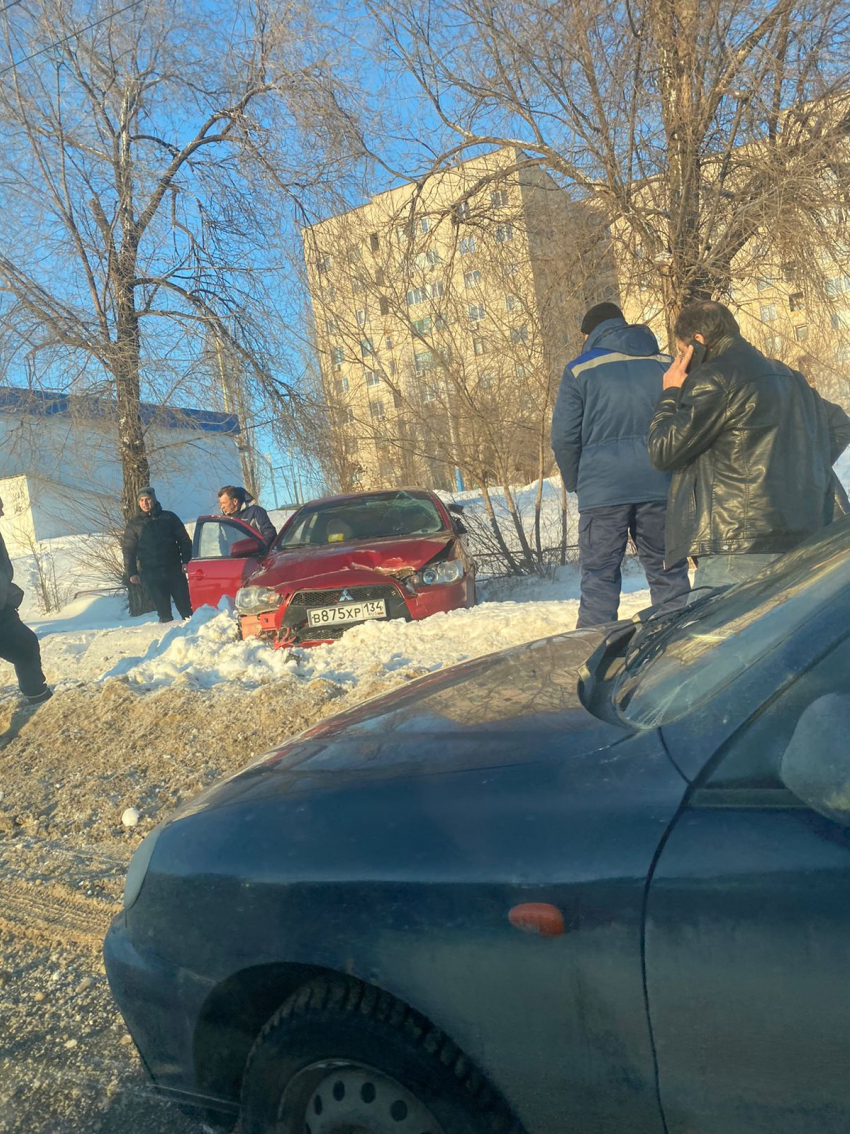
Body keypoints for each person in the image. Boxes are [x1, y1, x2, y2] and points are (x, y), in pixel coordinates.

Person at [648, 300, 850, 591]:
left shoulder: (712, 377)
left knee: (713, 635)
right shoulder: (790, 377)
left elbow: (662, 450)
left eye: (682, 352)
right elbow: (840, 425)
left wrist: (670, 392)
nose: (681, 361)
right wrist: (797, 469)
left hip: (735, 544)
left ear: (699, 343)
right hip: (800, 538)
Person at [551, 301, 691, 627]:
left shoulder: (580, 370)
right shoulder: (666, 366)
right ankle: (677, 651)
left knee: (599, 578)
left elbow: (564, 438)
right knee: (667, 571)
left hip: (602, 491)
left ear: (590, 333)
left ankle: (594, 657)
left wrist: (578, 482)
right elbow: (685, 425)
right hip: (659, 484)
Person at [0, 497, 52, 705]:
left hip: (3, 609)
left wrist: (9, 596)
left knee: (25, 644)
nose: (2, 514)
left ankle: (36, 693)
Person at [122, 487, 193, 622]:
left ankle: (194, 634)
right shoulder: (134, 524)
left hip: (174, 569)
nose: (145, 503)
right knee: (164, 613)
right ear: (138, 503)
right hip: (152, 574)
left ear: (154, 499)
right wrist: (132, 572)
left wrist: (186, 561)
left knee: (186, 609)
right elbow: (128, 550)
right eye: (141, 500)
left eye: (147, 499)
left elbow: (184, 540)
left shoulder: (169, 517)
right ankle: (170, 638)